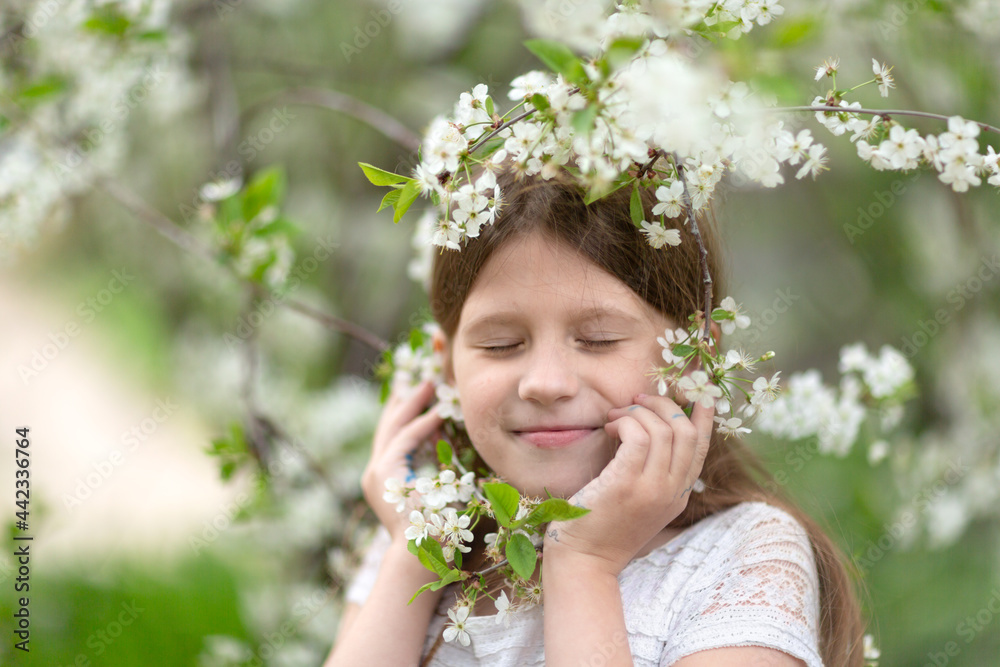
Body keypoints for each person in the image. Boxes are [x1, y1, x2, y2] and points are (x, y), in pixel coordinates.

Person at [325, 167, 866, 667]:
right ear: (446, 369)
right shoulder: (423, 545)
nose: (546, 383)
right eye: (501, 343)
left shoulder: (742, 557)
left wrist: (585, 561)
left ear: (692, 358)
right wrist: (413, 551)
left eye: (597, 339)